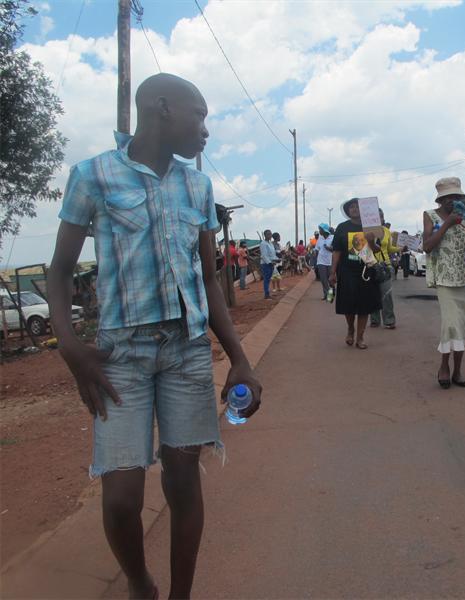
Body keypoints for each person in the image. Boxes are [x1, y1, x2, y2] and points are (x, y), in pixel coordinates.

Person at [46, 74, 262, 599]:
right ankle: (141, 583)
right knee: (122, 497)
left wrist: (239, 357)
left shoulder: (198, 187)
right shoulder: (93, 175)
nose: (206, 130)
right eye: (200, 115)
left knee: (183, 480)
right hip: (119, 355)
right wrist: (70, 346)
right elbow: (59, 272)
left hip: (186, 351)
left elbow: (207, 278)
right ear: (163, 107)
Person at [423, 177, 465, 388]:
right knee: (450, 325)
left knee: (462, 326)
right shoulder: (430, 215)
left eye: (457, 197)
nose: (452, 201)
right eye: (448, 198)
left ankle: (457, 370)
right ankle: (444, 367)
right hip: (444, 279)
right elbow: (427, 246)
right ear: (440, 200)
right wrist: (447, 223)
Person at [329, 198, 382, 349]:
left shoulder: (371, 226)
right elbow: (337, 251)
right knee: (349, 304)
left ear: (363, 210)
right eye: (351, 207)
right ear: (348, 211)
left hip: (366, 270)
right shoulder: (342, 227)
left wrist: (371, 242)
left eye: (357, 207)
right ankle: (350, 329)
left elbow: (377, 250)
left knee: (364, 305)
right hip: (346, 271)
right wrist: (333, 271)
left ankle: (360, 337)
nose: (354, 209)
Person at [370, 209, 403, 329]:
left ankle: (389, 320)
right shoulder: (367, 231)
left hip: (385, 266)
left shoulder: (387, 231)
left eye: (381, 216)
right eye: (377, 216)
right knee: (373, 294)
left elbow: (389, 249)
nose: (380, 218)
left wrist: (400, 249)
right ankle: (374, 320)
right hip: (371, 265)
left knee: (387, 294)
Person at [316, 223, 334, 300]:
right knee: (323, 279)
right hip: (321, 261)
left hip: (330, 261)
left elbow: (334, 249)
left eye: (320, 229)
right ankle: (326, 294)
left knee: (330, 280)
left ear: (324, 230)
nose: (319, 231)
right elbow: (317, 249)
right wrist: (315, 254)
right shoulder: (320, 239)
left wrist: (328, 248)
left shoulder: (332, 237)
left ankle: (331, 294)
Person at [259, 229, 277, 298]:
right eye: (268, 234)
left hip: (271, 263)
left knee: (269, 279)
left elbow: (272, 254)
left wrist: (276, 259)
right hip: (266, 264)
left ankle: (268, 293)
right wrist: (269, 262)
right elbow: (264, 255)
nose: (270, 235)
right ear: (265, 235)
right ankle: (266, 294)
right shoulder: (263, 244)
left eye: (270, 234)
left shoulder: (270, 243)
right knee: (266, 279)